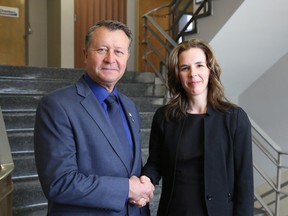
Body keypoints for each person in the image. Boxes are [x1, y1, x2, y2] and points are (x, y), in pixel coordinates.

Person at [34, 20, 154, 215]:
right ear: (85, 55)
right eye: (102, 50)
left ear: (127, 57)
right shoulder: (56, 105)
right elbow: (59, 183)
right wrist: (127, 189)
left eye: (119, 52)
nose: (110, 58)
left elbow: (130, 168)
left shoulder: (130, 106)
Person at [141, 38, 254, 216]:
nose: (193, 74)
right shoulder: (164, 117)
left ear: (210, 70)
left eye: (199, 65)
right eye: (185, 68)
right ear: (177, 74)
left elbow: (245, 182)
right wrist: (145, 179)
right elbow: (156, 163)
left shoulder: (235, 118)